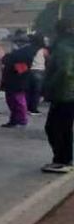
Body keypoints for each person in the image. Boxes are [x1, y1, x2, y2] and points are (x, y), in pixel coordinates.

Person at [43, 19, 74, 173]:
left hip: (64, 92)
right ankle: (65, 159)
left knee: (54, 127)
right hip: (68, 92)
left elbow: (64, 71)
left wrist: (49, 86)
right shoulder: (69, 44)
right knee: (65, 127)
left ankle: (62, 160)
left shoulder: (63, 47)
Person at [1, 34, 39, 128]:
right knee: (12, 101)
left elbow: (21, 68)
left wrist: (10, 61)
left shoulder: (25, 52)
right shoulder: (19, 52)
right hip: (12, 79)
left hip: (19, 80)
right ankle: (14, 120)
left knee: (18, 101)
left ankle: (21, 120)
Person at [27, 33, 47, 115]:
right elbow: (48, 59)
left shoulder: (29, 48)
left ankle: (27, 107)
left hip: (29, 70)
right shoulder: (43, 50)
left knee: (29, 90)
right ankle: (33, 109)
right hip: (39, 71)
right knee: (36, 92)